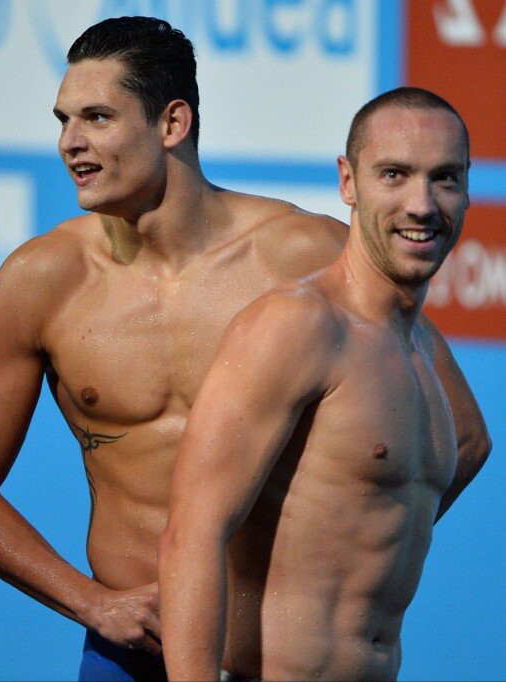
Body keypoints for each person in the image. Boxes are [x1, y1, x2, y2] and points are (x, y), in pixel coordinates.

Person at [0, 14, 488, 682]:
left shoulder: (305, 256)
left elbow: (458, 436)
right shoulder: (43, 281)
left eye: (98, 118)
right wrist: (93, 604)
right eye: (63, 121)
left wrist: (331, 559)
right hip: (128, 653)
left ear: (173, 124)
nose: (71, 143)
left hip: (268, 657)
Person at [158, 87, 491, 682]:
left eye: (444, 178)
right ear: (348, 182)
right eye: (394, 174)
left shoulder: (419, 351)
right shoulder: (297, 326)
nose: (422, 204)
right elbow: (191, 533)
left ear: (466, 188)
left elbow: (465, 452)